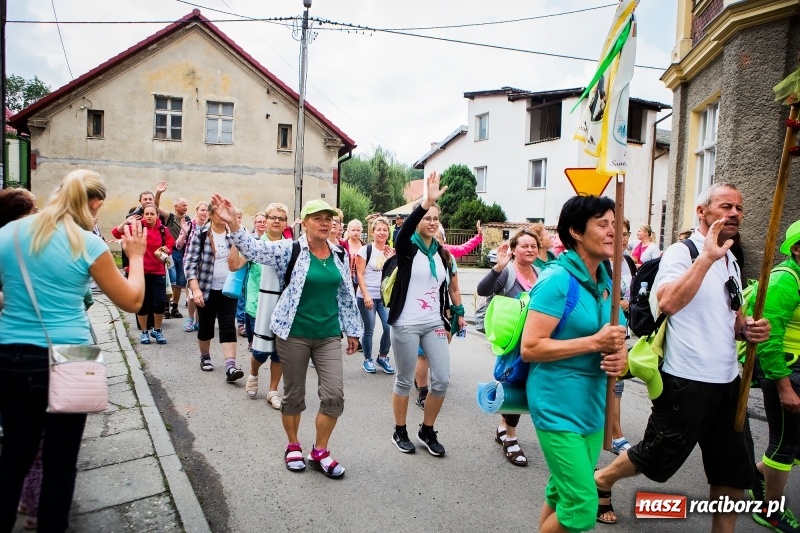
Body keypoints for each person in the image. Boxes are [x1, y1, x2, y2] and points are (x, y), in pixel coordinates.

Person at [594, 182, 771, 531]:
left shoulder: (733, 258)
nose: (734, 213)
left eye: (739, 208)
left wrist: (747, 329)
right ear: (702, 212)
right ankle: (602, 479)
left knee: (732, 470)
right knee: (657, 456)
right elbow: (670, 303)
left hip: (728, 383)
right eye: (725, 206)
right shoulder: (683, 252)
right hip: (685, 381)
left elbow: (730, 319)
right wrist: (705, 259)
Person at [0, 169, 146, 533]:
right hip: (73, 355)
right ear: (93, 203)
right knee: (60, 462)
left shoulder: (7, 234)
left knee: (13, 457)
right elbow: (132, 301)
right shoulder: (87, 243)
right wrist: (137, 256)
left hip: (11, 353)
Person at [217, 196, 362, 479]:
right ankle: (293, 445)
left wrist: (353, 329)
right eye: (317, 218)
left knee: (334, 395)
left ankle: (320, 451)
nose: (324, 223)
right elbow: (254, 248)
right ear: (304, 223)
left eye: (328, 218)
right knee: (294, 395)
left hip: (328, 334)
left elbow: (344, 294)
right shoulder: (289, 249)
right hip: (293, 333)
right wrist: (234, 223)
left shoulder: (339, 253)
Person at [519, 195, 627, 533]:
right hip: (557, 405)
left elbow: (617, 339)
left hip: (594, 407)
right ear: (576, 232)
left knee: (560, 490)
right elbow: (531, 347)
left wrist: (620, 355)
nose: (614, 232)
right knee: (582, 505)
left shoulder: (606, 281)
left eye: (615, 224)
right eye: (603, 224)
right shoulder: (557, 280)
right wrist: (595, 343)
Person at [388, 173, 466, 457]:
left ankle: (427, 429)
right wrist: (425, 202)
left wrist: (454, 316)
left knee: (442, 379)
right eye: (426, 217)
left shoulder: (441, 255)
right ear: (418, 220)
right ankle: (399, 430)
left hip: (433, 322)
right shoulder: (407, 248)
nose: (431, 222)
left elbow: (445, 290)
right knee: (405, 380)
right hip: (406, 324)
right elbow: (403, 231)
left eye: (435, 218)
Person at [747, 219, 800, 532]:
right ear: (796, 249)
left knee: (796, 444)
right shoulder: (784, 281)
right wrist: (783, 386)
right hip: (786, 372)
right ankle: (770, 510)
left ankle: (757, 475)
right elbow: (768, 337)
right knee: (785, 444)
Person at [477, 229, 541, 467]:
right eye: (524, 246)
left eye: (533, 246)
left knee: (524, 384)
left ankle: (503, 428)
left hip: (535, 339)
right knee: (514, 382)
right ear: (513, 249)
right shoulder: (508, 271)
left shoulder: (541, 273)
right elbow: (483, 290)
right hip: (512, 341)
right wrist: (498, 267)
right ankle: (511, 439)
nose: (530, 249)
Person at [414, 220, 483, 408]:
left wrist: (460, 314)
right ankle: (422, 391)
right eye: (432, 237)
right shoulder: (415, 254)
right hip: (419, 312)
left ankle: (436, 379)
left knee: (440, 348)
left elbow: (454, 289)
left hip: (443, 313)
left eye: (438, 237)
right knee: (422, 356)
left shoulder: (448, 258)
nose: (435, 241)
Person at [229, 205, 288, 408]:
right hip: (257, 307)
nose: (277, 221)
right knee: (260, 352)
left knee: (280, 353)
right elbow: (234, 266)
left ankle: (273, 390)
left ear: (286, 223)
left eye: (282, 218)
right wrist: (237, 242)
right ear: (266, 220)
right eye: (273, 217)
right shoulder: (254, 245)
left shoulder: (291, 248)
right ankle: (253, 373)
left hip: (282, 309)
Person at [184, 201, 244, 381]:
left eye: (224, 212)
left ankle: (230, 367)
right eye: (218, 212)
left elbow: (248, 251)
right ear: (210, 214)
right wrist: (195, 290)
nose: (222, 216)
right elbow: (190, 265)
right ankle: (205, 357)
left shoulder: (234, 234)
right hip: (205, 288)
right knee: (206, 326)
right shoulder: (200, 234)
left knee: (227, 325)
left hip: (228, 288)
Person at [112, 203, 174, 345]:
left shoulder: (163, 230)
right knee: (143, 304)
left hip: (158, 270)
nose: (149, 216)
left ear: (157, 215)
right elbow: (116, 233)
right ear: (143, 214)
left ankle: (157, 330)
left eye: (152, 214)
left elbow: (171, 244)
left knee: (159, 303)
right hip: (140, 271)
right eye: (147, 214)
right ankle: (144, 332)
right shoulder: (137, 226)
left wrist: (167, 249)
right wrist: (126, 222)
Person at [610, 218, 637, 455]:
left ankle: (610, 430)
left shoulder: (628, 261)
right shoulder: (603, 264)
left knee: (616, 384)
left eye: (627, 233)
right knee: (614, 382)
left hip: (624, 329)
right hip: (607, 330)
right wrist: (620, 303)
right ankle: (616, 435)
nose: (623, 238)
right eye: (619, 233)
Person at [356, 216, 396, 374]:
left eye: (385, 230)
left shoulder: (391, 251)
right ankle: (367, 359)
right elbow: (359, 275)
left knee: (389, 328)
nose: (382, 232)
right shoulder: (365, 250)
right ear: (373, 232)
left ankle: (383, 357)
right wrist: (366, 295)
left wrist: (392, 259)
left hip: (384, 297)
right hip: (367, 295)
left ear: (388, 233)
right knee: (369, 329)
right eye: (378, 229)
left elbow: (392, 275)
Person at [153, 181, 188, 320]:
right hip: (171, 253)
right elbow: (156, 206)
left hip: (183, 253)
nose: (186, 207)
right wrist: (158, 193)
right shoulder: (170, 217)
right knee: (171, 280)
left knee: (180, 281)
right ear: (176, 206)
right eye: (183, 205)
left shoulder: (188, 219)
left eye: (186, 205)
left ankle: (175, 307)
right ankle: (166, 306)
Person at [182, 201, 209, 332]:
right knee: (193, 294)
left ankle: (199, 320)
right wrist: (184, 233)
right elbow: (178, 245)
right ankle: (190, 318)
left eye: (207, 210)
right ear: (197, 211)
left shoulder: (210, 226)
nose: (204, 213)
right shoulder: (189, 225)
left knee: (202, 293)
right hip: (192, 263)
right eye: (202, 210)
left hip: (206, 264)